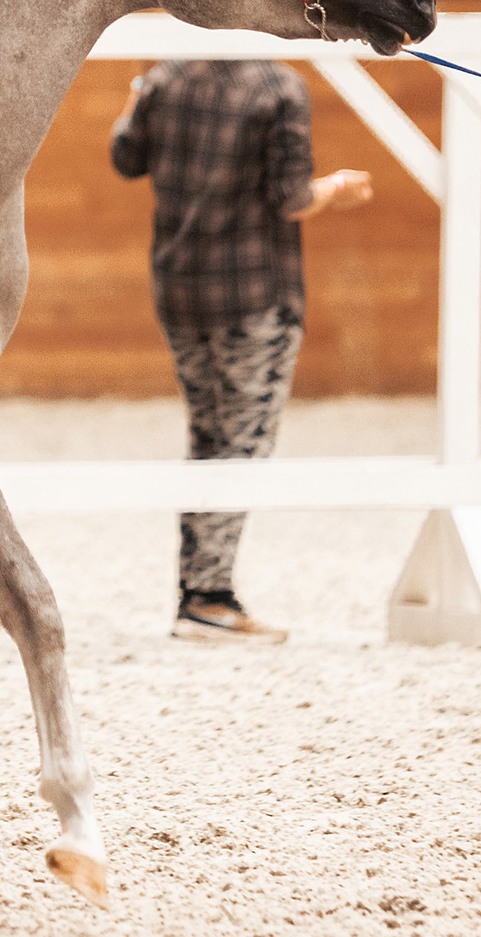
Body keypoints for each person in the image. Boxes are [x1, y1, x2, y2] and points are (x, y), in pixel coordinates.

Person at [110, 60, 374, 642]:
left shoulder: (164, 77)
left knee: (206, 436)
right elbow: (292, 199)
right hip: (255, 293)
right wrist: (337, 188)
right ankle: (209, 597)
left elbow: (125, 159)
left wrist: (137, 93)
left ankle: (198, 593)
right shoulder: (278, 87)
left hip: (180, 288)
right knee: (243, 443)